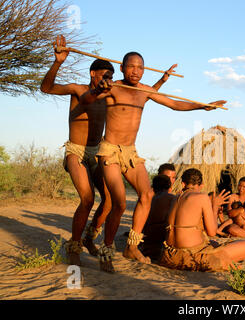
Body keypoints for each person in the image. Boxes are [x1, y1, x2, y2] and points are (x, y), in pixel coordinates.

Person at [81, 51, 227, 273]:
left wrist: (202, 106)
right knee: (119, 202)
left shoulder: (144, 91)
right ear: (122, 68)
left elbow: (174, 104)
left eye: (140, 68)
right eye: (131, 67)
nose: (136, 71)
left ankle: (132, 246)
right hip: (109, 151)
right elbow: (87, 100)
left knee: (147, 195)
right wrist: (97, 90)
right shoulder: (114, 87)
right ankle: (107, 250)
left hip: (130, 152)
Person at [40, 35, 115, 265]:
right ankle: (74, 247)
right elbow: (46, 88)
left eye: (111, 77)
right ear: (93, 73)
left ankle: (90, 237)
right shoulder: (77, 89)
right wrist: (58, 62)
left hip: (97, 152)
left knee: (110, 201)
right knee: (87, 199)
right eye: (104, 76)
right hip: (76, 151)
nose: (108, 80)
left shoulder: (111, 95)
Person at [159, 168, 245, 272]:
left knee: (213, 243)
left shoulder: (175, 198)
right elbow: (212, 232)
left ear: (183, 184)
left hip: (169, 255)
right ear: (201, 185)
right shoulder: (201, 197)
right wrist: (215, 206)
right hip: (191, 257)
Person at [141, 174, 176, 261]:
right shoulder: (172, 198)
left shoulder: (148, 198)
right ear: (169, 186)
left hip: (146, 238)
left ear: (153, 187)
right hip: (160, 238)